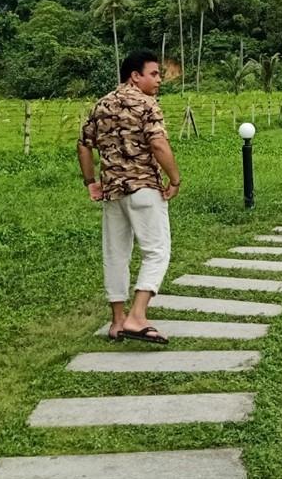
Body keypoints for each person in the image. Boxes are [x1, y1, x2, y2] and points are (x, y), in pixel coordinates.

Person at [78, 50, 181, 345]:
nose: (159, 79)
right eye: (154, 73)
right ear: (135, 76)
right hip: (144, 188)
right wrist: (174, 179)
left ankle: (117, 321)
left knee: (115, 254)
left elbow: (84, 145)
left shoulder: (102, 104)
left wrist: (90, 181)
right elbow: (158, 144)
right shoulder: (146, 104)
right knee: (157, 251)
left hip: (113, 192)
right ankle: (138, 316)